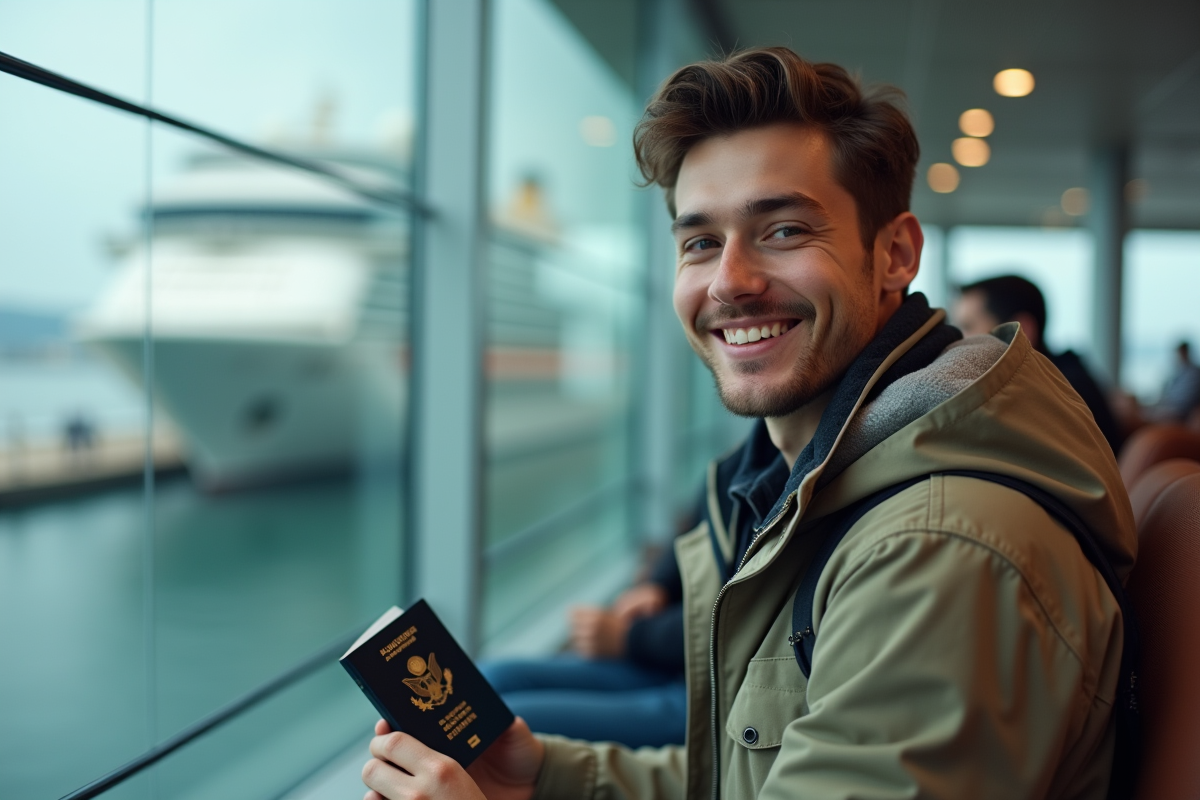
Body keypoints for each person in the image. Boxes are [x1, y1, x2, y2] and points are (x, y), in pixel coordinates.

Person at [360, 47, 1136, 800]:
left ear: (895, 254)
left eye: (785, 231)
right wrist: (546, 782)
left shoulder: (940, 546)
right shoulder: (810, 484)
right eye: (700, 242)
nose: (730, 282)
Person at [478, 545, 687, 748]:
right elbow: (702, 525)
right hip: (667, 658)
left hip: (701, 691)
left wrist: (632, 637)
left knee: (496, 725)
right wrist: (660, 585)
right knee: (489, 677)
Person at [952, 275, 1125, 453]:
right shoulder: (1064, 376)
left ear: (1021, 330)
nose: (956, 340)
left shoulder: (1057, 395)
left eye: (968, 326)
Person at [1149, 341, 1200, 423]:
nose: (1177, 357)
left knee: (1151, 416)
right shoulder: (1180, 371)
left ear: (1185, 353)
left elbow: (1185, 400)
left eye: (1179, 354)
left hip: (1181, 412)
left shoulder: (1194, 373)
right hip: (1172, 407)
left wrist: (1166, 406)